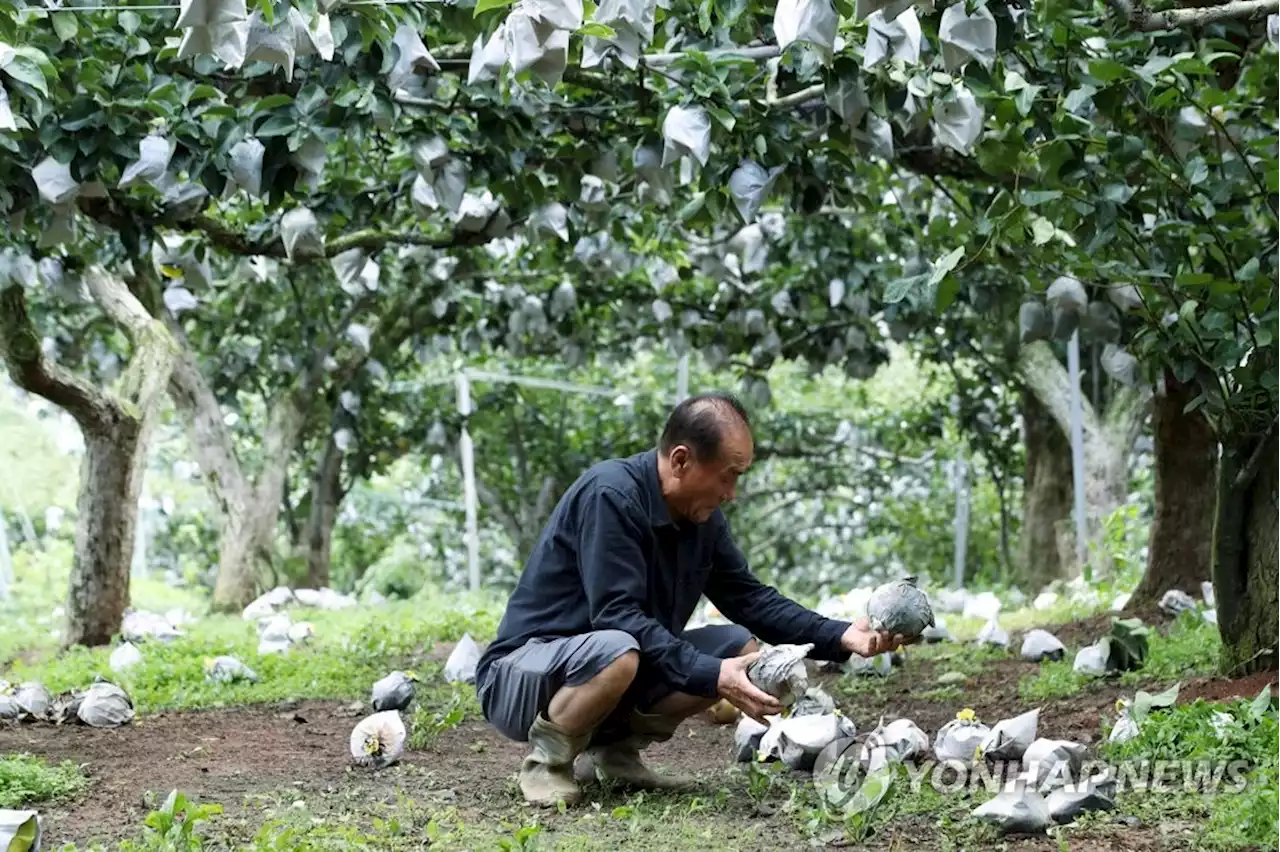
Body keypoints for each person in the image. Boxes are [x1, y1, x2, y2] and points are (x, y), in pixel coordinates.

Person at [474, 392, 906, 807]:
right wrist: (711, 674)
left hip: (608, 664)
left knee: (737, 648)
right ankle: (546, 762)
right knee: (622, 649)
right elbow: (617, 615)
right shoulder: (612, 495)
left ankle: (614, 755)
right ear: (681, 459)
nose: (732, 493)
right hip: (522, 676)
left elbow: (750, 598)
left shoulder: (702, 520)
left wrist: (842, 634)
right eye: (728, 475)